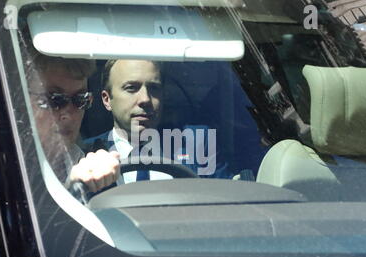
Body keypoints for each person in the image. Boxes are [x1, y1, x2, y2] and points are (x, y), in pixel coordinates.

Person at [84, 59, 233, 183]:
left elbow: (227, 201)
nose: (145, 99)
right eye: (131, 88)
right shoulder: (87, 154)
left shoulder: (195, 143)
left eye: (154, 88)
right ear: (107, 99)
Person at [27, 53, 120, 193]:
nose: (69, 115)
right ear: (22, 101)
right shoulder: (8, 169)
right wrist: (74, 189)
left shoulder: (77, 158)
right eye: (55, 100)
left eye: (80, 100)